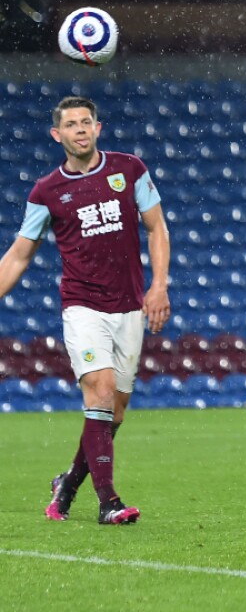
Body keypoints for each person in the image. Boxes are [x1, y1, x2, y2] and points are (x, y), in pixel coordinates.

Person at [0, 96, 170, 525]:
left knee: (113, 411)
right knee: (100, 388)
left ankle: (68, 483)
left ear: (98, 127)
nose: (80, 129)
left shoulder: (129, 169)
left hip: (129, 305)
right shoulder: (46, 192)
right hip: (82, 305)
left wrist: (159, 285)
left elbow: (156, 227)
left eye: (86, 122)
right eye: (71, 124)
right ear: (57, 135)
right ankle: (109, 502)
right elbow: (19, 255)